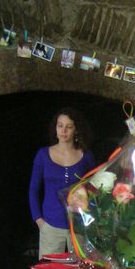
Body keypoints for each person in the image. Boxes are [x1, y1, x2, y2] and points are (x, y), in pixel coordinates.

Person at [29, 107, 95, 258]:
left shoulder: (86, 156)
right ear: (55, 128)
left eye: (69, 127)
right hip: (50, 225)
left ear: (76, 130)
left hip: (79, 226)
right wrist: (38, 220)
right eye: (60, 126)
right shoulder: (43, 155)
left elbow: (93, 189)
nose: (64, 131)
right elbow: (33, 190)